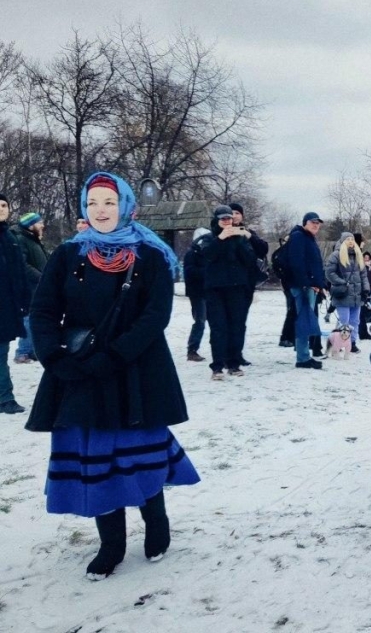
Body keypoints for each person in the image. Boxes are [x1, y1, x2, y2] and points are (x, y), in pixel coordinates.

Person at [25, 171, 200, 579]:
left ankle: (156, 523)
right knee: (96, 456)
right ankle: (112, 544)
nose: (101, 211)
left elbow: (155, 316)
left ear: (124, 205)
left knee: (138, 453)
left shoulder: (150, 256)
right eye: (92, 203)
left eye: (108, 202)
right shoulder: (68, 254)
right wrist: (54, 355)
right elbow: (44, 308)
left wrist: (116, 355)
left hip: (136, 370)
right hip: (79, 370)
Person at [199, 206, 258, 380]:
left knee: (236, 327)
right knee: (218, 328)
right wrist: (220, 239)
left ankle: (234, 363)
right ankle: (217, 366)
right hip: (215, 290)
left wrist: (240, 240)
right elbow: (205, 256)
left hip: (237, 288)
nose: (226, 222)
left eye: (229, 219)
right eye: (223, 219)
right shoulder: (209, 238)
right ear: (216, 221)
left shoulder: (239, 238)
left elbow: (250, 260)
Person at [283, 212, 328, 369]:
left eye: (318, 223)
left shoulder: (308, 238)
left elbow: (314, 264)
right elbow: (296, 263)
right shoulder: (299, 237)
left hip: (309, 286)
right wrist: (306, 284)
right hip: (302, 287)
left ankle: (304, 356)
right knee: (304, 320)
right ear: (305, 223)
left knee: (306, 320)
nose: (316, 225)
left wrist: (321, 283)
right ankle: (302, 358)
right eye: (312, 222)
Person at [0, 192, 31, 414]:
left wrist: (23, 300)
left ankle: (4, 397)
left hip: (6, 305)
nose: (1, 209)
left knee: (2, 350)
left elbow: (18, 271)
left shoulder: (9, 237)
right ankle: (5, 397)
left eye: (4, 205)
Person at [229, 202, 269, 367]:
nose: (234, 216)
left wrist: (248, 235)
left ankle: (237, 354)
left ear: (242, 216)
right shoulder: (220, 233)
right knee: (227, 321)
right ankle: (225, 354)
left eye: (237, 213)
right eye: (231, 213)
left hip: (246, 284)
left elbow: (263, 249)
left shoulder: (248, 233)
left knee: (240, 321)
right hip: (227, 284)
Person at [326, 232, 371, 352]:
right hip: (343, 293)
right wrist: (341, 281)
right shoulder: (336, 255)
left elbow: (363, 275)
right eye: (348, 239)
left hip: (357, 295)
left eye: (352, 239)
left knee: (355, 321)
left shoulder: (358, 255)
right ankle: (340, 341)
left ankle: (352, 342)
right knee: (344, 320)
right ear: (342, 241)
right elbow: (329, 272)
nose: (351, 241)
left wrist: (366, 289)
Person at [13, 211, 49, 364]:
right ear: (31, 225)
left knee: (34, 318)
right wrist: (41, 277)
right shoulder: (22, 239)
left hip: (37, 286)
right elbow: (22, 264)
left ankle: (32, 351)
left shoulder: (34, 240)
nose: (42, 225)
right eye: (39, 222)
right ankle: (22, 352)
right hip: (29, 287)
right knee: (28, 318)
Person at [182, 227, 211, 362]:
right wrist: (208, 272)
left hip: (208, 291)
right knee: (200, 321)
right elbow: (190, 272)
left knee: (214, 321)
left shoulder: (208, 253)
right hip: (198, 292)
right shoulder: (192, 254)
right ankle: (192, 350)